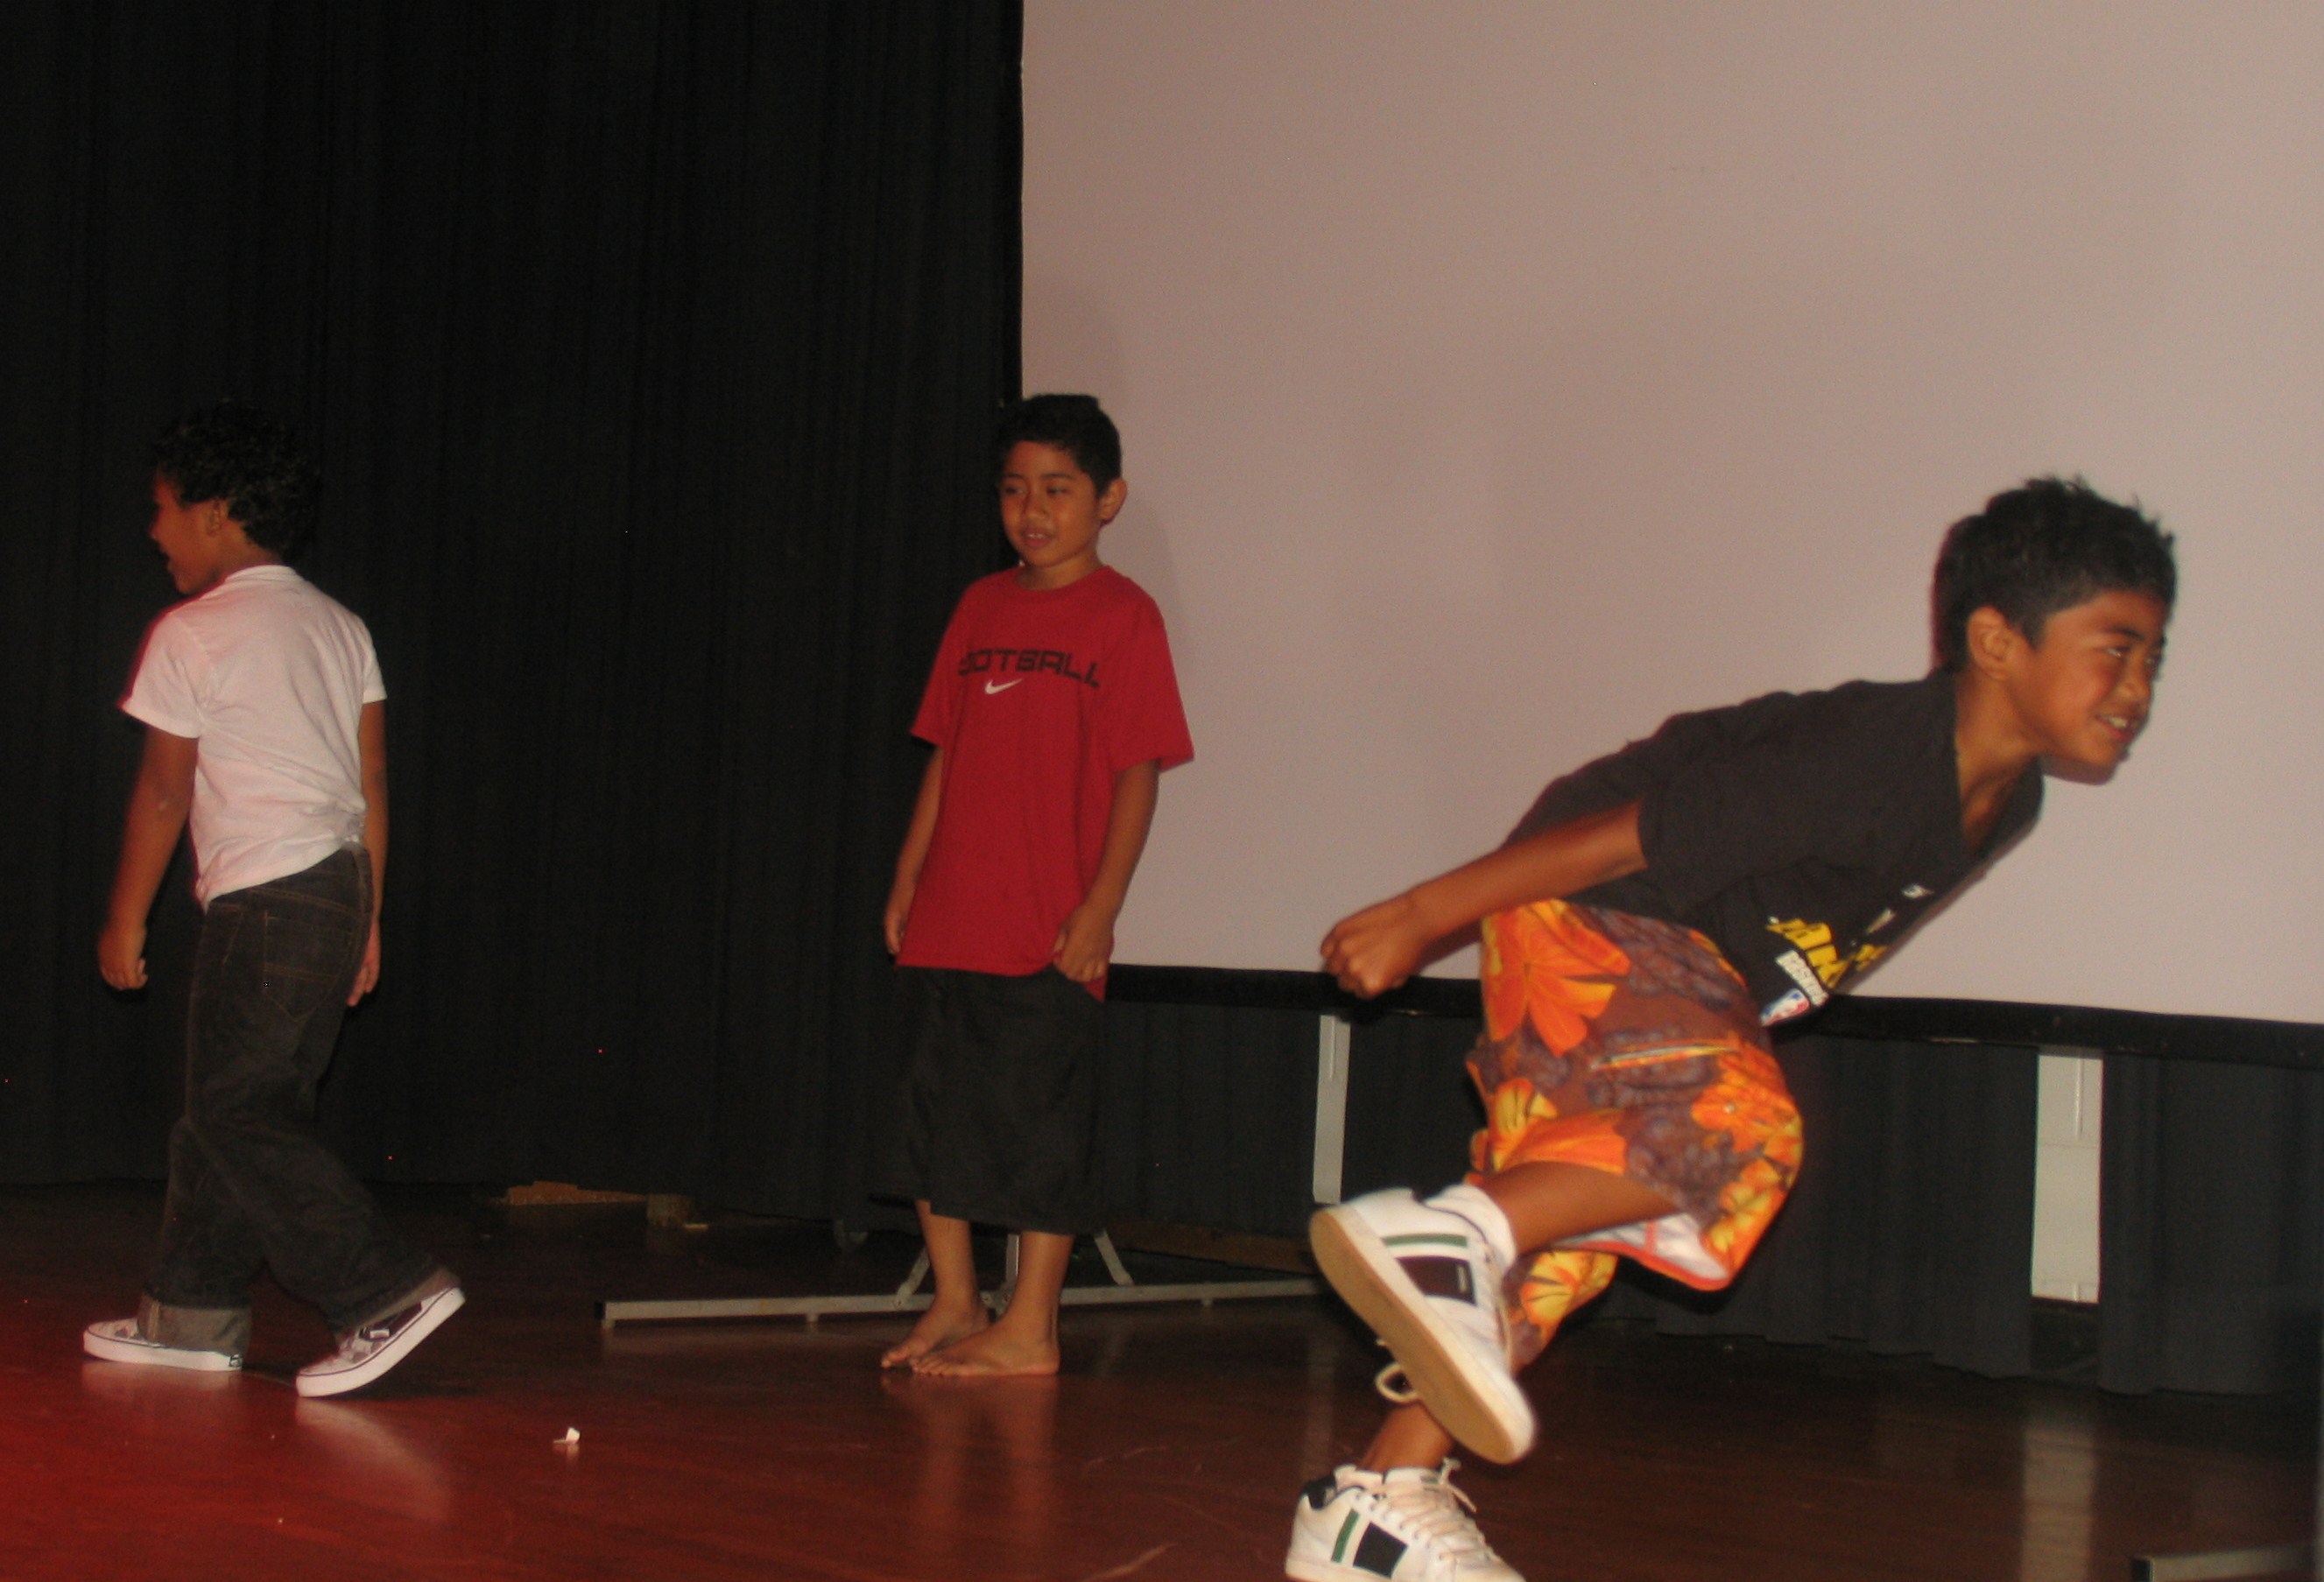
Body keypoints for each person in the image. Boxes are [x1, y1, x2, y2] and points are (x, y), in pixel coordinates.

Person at [1285, 478, 2175, 1582]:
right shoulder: (1880, 752)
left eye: (2152, 658)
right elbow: (1634, 836)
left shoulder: (2008, 798)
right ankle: (1450, 1231)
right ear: (1996, 640)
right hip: (1601, 901)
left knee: (1568, 1244)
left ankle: (1370, 1508)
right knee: (1735, 1130)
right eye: (2114, 650)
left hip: (1668, 956)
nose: (2137, 688)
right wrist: (1426, 913)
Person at [84, 403, 462, 1398]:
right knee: (232, 1112)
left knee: (237, 1111)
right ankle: (189, 1315)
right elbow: (370, 782)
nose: (154, 530)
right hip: (334, 886)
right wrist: (368, 914)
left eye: (163, 508)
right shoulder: (341, 626)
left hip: (265, 897)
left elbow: (163, 790)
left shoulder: (191, 631)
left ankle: (384, 1289)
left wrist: (125, 915)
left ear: (215, 513)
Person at [876, 393, 1193, 1377]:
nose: (1032, 510)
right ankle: (956, 1299)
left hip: (1049, 919)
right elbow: (945, 749)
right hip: (952, 907)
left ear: (1108, 499)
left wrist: (1100, 907)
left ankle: (1031, 1327)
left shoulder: (1125, 615)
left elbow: (1138, 771)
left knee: (1038, 1125)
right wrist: (908, 871)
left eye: (1057, 489)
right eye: (1015, 489)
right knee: (934, 1116)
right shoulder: (978, 605)